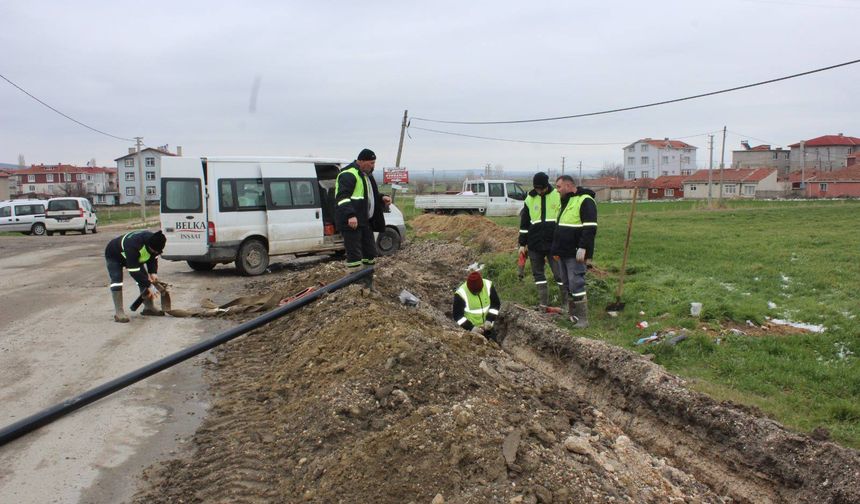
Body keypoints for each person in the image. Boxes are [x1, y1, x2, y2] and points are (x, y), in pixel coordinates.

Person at [334, 148, 391, 289]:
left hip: (365, 222)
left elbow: (369, 195)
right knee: (354, 255)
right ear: (362, 161)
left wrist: (381, 197)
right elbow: (342, 198)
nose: (373, 166)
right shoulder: (348, 174)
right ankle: (355, 286)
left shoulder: (366, 175)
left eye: (374, 163)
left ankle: (368, 283)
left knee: (370, 252)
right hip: (352, 222)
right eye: (371, 163)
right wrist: (350, 215)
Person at [551, 175, 597, 328]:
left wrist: (583, 247)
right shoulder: (567, 200)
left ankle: (583, 320)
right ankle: (573, 316)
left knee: (576, 284)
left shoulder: (585, 200)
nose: (557, 190)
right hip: (563, 252)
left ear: (569, 186)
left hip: (575, 253)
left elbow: (590, 227)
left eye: (559, 187)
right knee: (567, 284)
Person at [518, 172, 564, 309]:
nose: (539, 191)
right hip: (534, 244)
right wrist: (522, 244)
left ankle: (567, 304)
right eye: (536, 188)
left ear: (546, 185)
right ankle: (543, 304)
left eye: (541, 188)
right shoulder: (529, 199)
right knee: (538, 275)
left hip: (554, 244)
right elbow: (524, 224)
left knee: (559, 275)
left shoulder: (557, 195)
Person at [104, 230, 167, 322]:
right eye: (154, 250)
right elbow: (134, 272)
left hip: (133, 257)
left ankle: (149, 308)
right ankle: (119, 312)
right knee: (117, 281)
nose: (155, 252)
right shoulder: (133, 245)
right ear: (149, 246)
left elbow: (153, 257)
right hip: (114, 255)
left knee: (144, 278)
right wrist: (149, 285)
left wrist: (153, 273)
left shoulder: (155, 241)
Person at [452, 269, 501, 341]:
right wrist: (471, 327)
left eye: (479, 291)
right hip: (471, 331)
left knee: (495, 347)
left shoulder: (488, 286)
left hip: (488, 326)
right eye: (474, 292)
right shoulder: (461, 294)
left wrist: (489, 319)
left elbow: (495, 304)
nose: (477, 293)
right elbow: (457, 315)